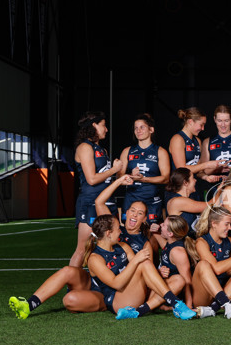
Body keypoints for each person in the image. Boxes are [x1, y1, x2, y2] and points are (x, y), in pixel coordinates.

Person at [70, 111, 122, 268]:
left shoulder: (102, 150)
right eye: (104, 125)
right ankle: (70, 288)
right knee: (83, 249)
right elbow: (91, 179)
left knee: (109, 245)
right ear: (94, 126)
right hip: (90, 203)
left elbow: (104, 178)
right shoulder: (85, 147)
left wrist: (120, 173)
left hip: (106, 202)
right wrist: (114, 170)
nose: (106, 129)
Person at [190, 207, 231, 319]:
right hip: (204, 295)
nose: (230, 228)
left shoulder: (230, 241)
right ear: (214, 224)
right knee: (203, 264)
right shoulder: (201, 242)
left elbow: (230, 271)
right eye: (226, 224)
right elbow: (217, 269)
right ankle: (226, 304)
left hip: (222, 293)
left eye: (230, 224)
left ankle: (213, 309)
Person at [118, 113, 170, 224]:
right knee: (129, 232)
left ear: (151, 129)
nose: (138, 130)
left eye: (142, 127)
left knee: (152, 235)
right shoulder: (127, 151)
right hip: (131, 199)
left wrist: (143, 179)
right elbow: (119, 177)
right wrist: (130, 176)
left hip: (152, 200)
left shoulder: (160, 151)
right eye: (136, 128)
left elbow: (166, 178)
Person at [95, 174, 158, 259]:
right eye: (132, 210)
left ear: (144, 219)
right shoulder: (114, 229)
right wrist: (119, 181)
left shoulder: (145, 243)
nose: (135, 214)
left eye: (140, 213)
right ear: (127, 213)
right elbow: (99, 202)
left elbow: (147, 269)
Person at [169, 107, 221, 200]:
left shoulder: (197, 141)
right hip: (180, 190)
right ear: (190, 122)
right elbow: (181, 168)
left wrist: (206, 177)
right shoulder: (178, 139)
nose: (203, 128)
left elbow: (197, 169)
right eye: (201, 125)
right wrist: (207, 164)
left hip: (194, 187)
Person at [150, 215, 196, 309]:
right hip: (167, 284)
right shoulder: (170, 243)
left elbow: (187, 281)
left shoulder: (178, 252)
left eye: (164, 225)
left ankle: (165, 306)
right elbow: (157, 234)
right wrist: (156, 229)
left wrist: (189, 305)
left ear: (170, 234)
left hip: (176, 290)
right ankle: (163, 306)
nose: (161, 224)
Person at [164, 167, 212, 237]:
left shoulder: (190, 198)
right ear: (185, 183)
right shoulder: (177, 201)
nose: (195, 180)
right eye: (193, 178)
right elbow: (209, 205)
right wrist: (221, 189)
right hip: (183, 244)